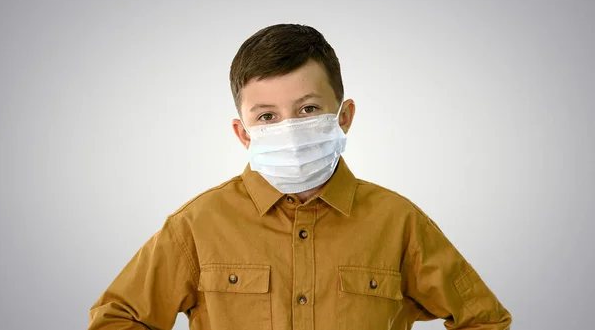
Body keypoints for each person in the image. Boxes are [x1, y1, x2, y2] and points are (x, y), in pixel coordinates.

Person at [87, 23, 512, 330]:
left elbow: (484, 320)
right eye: (267, 116)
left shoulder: (399, 222)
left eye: (308, 109)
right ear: (242, 132)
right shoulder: (197, 226)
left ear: (343, 117)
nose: (288, 129)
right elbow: (117, 319)